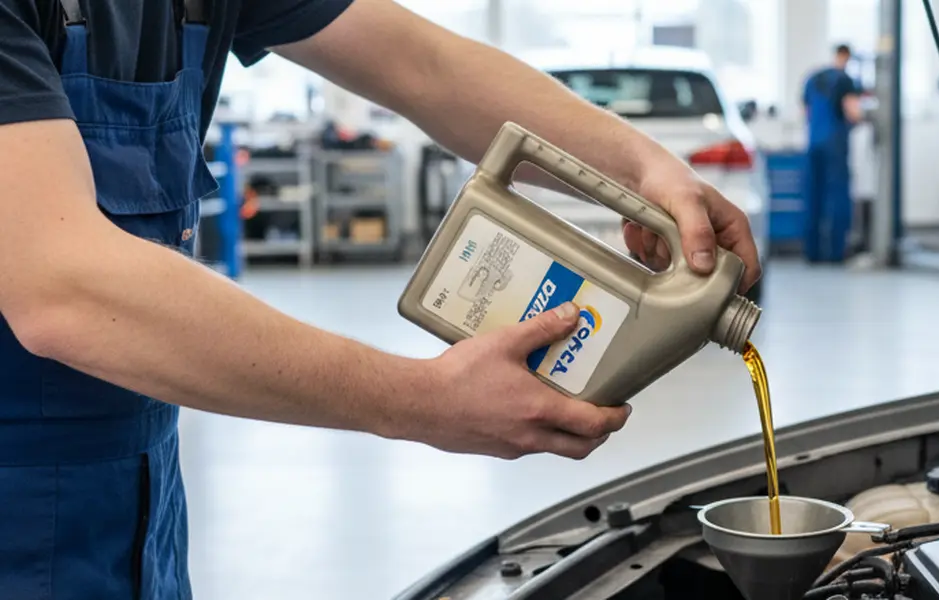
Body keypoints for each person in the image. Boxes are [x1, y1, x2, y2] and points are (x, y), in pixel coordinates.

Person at [0, 0, 762, 598]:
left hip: (136, 505)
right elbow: (62, 282)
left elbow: (423, 63)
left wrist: (646, 167)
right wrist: (421, 399)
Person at [801, 43, 863, 264]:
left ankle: (812, 253)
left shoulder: (813, 77)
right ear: (846, 56)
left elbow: (806, 112)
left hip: (813, 143)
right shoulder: (845, 80)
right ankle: (836, 254)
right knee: (837, 197)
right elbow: (853, 112)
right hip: (835, 144)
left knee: (813, 196)